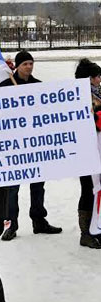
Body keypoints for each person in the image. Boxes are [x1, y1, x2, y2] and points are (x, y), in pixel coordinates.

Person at [0, 50, 62, 240]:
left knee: (38, 185)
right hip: (13, 145)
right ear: (17, 66)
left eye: (31, 63)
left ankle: (39, 220)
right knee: (12, 188)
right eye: (25, 64)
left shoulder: (37, 86)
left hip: (35, 145)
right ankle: (11, 224)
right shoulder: (5, 87)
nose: (29, 66)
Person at [74, 58, 101, 248]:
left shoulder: (97, 94)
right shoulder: (78, 96)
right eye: (98, 76)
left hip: (99, 148)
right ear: (90, 79)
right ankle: (85, 233)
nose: (100, 79)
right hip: (85, 151)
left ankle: (97, 227)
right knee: (88, 190)